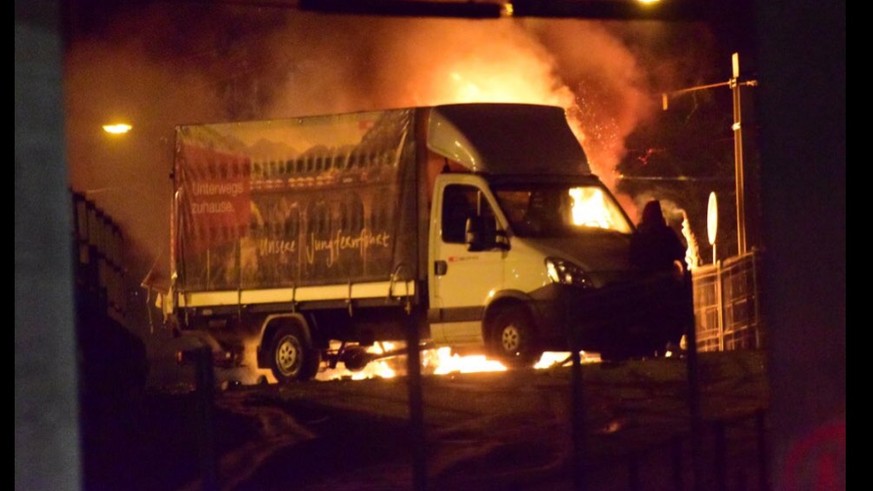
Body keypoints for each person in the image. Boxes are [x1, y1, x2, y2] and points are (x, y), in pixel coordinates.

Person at [629, 200, 687, 275]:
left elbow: (633, 259)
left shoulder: (638, 234)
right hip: (665, 276)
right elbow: (680, 252)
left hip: (644, 278)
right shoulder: (666, 232)